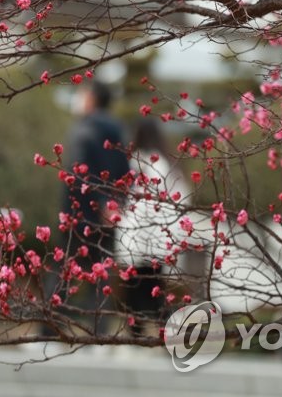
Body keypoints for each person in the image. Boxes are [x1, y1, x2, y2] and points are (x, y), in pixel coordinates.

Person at [59, 79, 130, 332]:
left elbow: (78, 173)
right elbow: (124, 172)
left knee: (63, 271)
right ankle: (99, 333)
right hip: (109, 215)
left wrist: (95, 203)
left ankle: (50, 328)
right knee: (101, 275)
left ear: (91, 98)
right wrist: (114, 204)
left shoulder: (85, 129)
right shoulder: (118, 130)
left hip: (80, 214)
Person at [115, 118, 187, 336]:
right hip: (159, 242)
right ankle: (165, 332)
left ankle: (136, 334)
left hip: (138, 241)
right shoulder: (166, 164)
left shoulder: (138, 163)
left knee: (134, 290)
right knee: (156, 291)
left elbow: (137, 205)